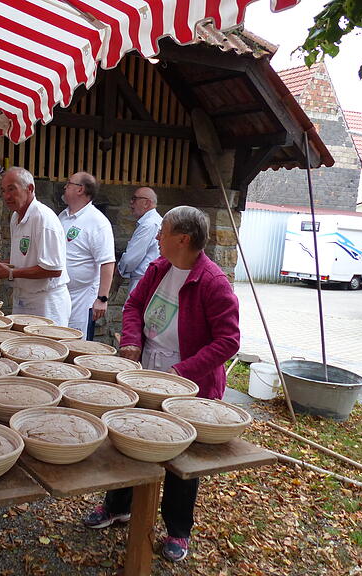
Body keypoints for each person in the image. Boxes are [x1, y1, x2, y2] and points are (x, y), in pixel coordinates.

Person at [83, 206, 240, 564]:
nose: (157, 236)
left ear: (183, 239)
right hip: (146, 370)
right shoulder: (159, 268)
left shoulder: (212, 282)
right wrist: (132, 341)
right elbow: (134, 305)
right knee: (131, 438)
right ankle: (117, 506)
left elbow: (229, 341)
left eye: (163, 231)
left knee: (180, 456)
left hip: (189, 383)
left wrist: (183, 371)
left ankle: (177, 530)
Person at [0, 167, 71, 326]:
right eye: (3, 191)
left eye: (11, 189)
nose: (6, 196)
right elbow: (24, 257)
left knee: (44, 349)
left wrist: (9, 273)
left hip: (46, 303)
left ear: (30, 189)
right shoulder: (15, 217)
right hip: (23, 298)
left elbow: (54, 269)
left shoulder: (43, 218)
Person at [58, 172, 115, 339]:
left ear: (80, 189)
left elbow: (107, 262)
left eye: (69, 183)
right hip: (61, 294)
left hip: (82, 299)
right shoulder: (63, 216)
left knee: (77, 343)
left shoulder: (98, 222)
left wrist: (102, 299)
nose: (65, 186)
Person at [116, 187, 162, 295]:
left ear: (146, 203)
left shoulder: (149, 224)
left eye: (134, 199)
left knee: (133, 311)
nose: (131, 203)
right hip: (147, 281)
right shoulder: (153, 221)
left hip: (142, 283)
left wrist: (119, 271)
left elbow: (130, 259)